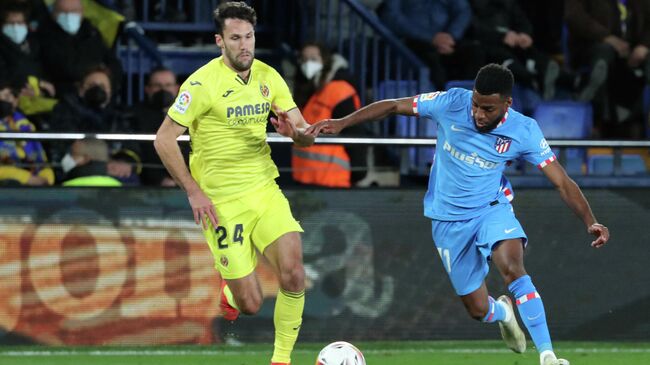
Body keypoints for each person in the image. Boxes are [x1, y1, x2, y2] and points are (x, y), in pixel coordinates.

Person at [308, 64, 610, 365]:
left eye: (488, 109)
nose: (478, 113)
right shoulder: (452, 102)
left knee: (513, 269)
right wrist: (342, 123)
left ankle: (548, 355)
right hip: (447, 221)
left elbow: (561, 181)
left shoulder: (524, 130)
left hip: (491, 210)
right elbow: (393, 106)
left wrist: (590, 220)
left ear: (508, 103)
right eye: (476, 104)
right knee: (478, 309)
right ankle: (504, 313)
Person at [154, 2, 316, 364]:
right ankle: (231, 295)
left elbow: (306, 134)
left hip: (264, 188)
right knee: (252, 304)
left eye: (250, 37)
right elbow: (163, 140)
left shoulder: (269, 76)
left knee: (293, 273)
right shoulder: (200, 84)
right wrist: (194, 192)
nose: (245, 45)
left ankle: (281, 359)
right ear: (219, 41)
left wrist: (296, 135)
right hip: (221, 203)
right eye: (236, 38)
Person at [565, 0, 650, 138]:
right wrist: (606, 37)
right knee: (603, 57)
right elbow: (574, 17)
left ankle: (637, 122)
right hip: (592, 49)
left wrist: (645, 45)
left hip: (633, 53)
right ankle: (598, 122)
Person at [47, 65, 140, 184]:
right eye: (91, 86)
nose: (97, 89)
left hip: (116, 175)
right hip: (76, 172)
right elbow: (61, 147)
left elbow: (132, 149)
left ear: (110, 92)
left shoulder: (121, 116)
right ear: (80, 90)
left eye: (102, 86)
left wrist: (125, 163)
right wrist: (98, 164)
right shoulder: (64, 111)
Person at [292, 42, 364, 187]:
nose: (308, 64)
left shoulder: (339, 90)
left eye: (313, 58)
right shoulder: (307, 90)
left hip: (333, 181)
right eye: (304, 59)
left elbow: (354, 134)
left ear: (325, 60)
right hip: (304, 179)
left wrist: (358, 171)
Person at [378, 0, 485, 89]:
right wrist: (431, 37)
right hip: (411, 41)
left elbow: (463, 11)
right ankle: (440, 106)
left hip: (447, 40)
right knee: (428, 56)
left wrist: (451, 36)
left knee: (474, 52)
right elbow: (390, 17)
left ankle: (469, 103)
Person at [468, 0, 560, 100]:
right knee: (511, 63)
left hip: (515, 46)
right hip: (490, 48)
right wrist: (501, 36)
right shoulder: (473, 5)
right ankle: (535, 80)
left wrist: (524, 34)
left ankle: (555, 76)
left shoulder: (509, 3)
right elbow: (473, 29)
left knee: (534, 55)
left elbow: (522, 21)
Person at [36, 0, 122, 96]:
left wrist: (105, 75)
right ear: (53, 14)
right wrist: (93, 71)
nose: (69, 16)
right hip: (63, 95)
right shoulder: (45, 35)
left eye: (74, 11)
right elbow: (64, 68)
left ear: (82, 12)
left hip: (96, 92)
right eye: (63, 12)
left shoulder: (91, 32)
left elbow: (113, 62)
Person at [130, 67, 182, 186]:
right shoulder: (135, 115)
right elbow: (140, 152)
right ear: (148, 89)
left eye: (168, 85)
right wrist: (159, 180)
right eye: (157, 85)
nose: (163, 90)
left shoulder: (191, 114)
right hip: (148, 183)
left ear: (176, 88)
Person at [0, 80, 53, 186]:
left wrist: (47, 178)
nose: (2, 101)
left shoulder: (26, 125)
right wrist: (26, 178)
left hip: (34, 186)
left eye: (6, 97)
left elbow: (41, 158)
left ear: (16, 100)